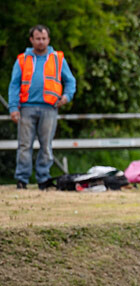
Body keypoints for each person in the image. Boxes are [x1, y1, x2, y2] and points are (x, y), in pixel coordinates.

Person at [8, 25, 76, 190]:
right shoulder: (23, 59)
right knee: (24, 145)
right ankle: (22, 179)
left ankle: (43, 179)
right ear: (31, 40)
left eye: (44, 38)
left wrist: (66, 96)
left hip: (50, 108)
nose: (41, 42)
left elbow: (70, 81)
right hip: (26, 108)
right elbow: (14, 85)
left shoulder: (57, 58)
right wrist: (13, 108)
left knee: (46, 145)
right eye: (38, 39)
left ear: (48, 40)